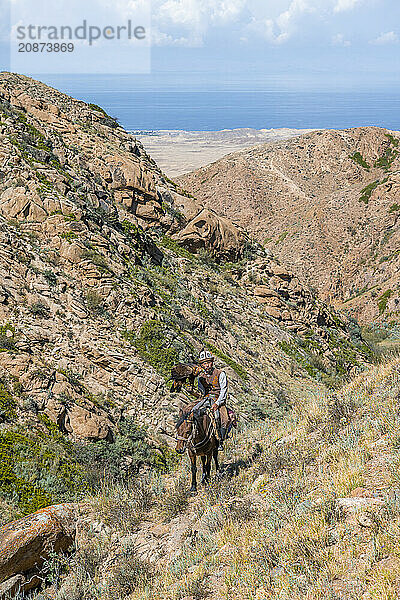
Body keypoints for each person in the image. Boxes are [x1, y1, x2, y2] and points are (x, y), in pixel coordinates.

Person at [192, 349, 229, 449]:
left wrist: (217, 403)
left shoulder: (220, 374)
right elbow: (201, 393)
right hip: (206, 399)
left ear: (212, 363)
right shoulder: (201, 378)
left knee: (224, 419)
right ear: (202, 365)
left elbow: (224, 390)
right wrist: (191, 391)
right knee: (193, 411)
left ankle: (220, 441)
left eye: (208, 363)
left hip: (218, 399)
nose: (207, 365)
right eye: (204, 363)